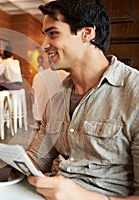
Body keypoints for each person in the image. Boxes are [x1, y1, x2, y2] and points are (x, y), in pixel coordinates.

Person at [26, 0, 139, 199]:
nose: (44, 45)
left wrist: (81, 196)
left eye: (53, 33)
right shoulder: (57, 100)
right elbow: (36, 160)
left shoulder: (134, 93)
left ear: (87, 33)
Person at [31, 54, 68, 129]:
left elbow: (33, 96)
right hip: (58, 121)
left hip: (39, 118)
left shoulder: (37, 76)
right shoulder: (66, 76)